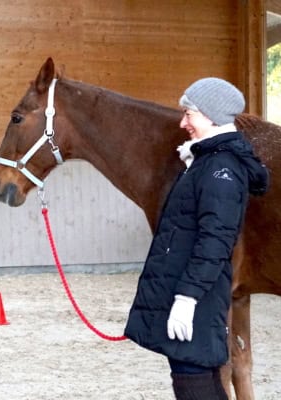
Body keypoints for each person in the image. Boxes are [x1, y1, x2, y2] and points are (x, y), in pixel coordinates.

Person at [124, 78, 269, 399]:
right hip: (191, 291)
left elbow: (215, 242)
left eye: (189, 114)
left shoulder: (222, 170)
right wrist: (197, 162)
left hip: (198, 299)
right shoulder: (208, 163)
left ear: (212, 116)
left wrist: (187, 299)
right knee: (194, 377)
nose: (182, 122)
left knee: (194, 381)